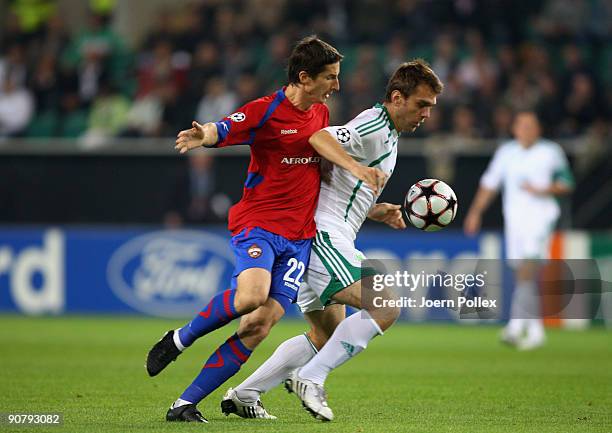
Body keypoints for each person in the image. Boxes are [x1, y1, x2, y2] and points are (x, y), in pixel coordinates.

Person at [145, 35, 387, 423]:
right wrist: (201, 135)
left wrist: (372, 209)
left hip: (299, 240)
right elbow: (222, 128)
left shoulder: (320, 117)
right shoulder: (266, 110)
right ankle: (179, 339)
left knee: (258, 326)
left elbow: (322, 177)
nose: (336, 86)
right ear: (304, 78)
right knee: (250, 298)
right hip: (258, 224)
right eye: (330, 77)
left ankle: (184, 405)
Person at [222, 60, 443, 421]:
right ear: (397, 97)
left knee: (327, 334)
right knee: (385, 306)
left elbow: (338, 186)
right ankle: (311, 377)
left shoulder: (389, 135)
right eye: (422, 105)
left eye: (431, 107)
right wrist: (358, 168)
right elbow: (320, 138)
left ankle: (246, 394)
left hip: (322, 231)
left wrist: (376, 210)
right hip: (325, 234)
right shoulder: (373, 125)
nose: (426, 115)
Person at [464, 111, 574, 350]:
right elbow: (489, 184)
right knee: (523, 275)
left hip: (541, 218)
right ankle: (535, 331)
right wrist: (475, 212)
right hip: (515, 222)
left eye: (530, 126)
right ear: (515, 129)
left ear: (538, 129)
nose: (526, 130)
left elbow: (567, 183)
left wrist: (543, 189)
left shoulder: (550, 152)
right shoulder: (507, 153)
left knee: (526, 269)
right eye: (521, 126)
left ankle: (515, 327)